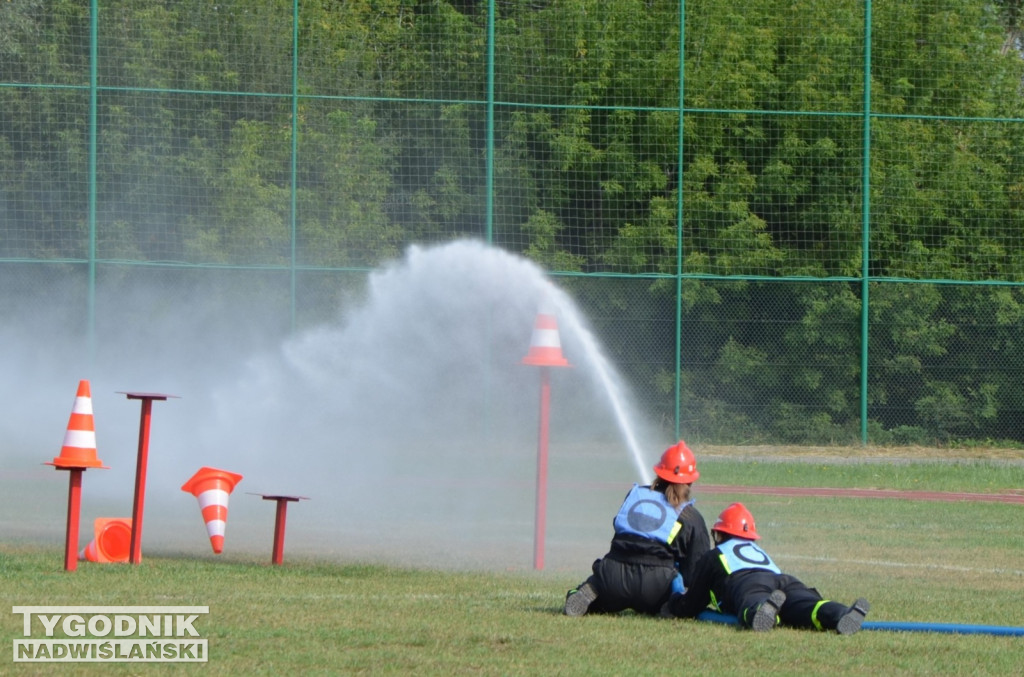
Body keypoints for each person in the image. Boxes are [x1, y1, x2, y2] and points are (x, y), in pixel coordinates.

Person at [661, 502, 870, 634]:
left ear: (720, 534)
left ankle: (763, 610)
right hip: (783, 580)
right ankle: (839, 613)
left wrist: (675, 600)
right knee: (806, 605)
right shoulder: (755, 550)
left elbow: (692, 604)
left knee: (754, 602)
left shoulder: (716, 555)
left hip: (747, 582)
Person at [563, 440, 711, 616]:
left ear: (659, 473)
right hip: (656, 586)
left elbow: (620, 534)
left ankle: (588, 591)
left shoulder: (634, 495)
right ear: (690, 482)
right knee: (680, 593)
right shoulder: (690, 516)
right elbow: (697, 567)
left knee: (596, 590)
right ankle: (671, 606)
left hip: (613, 576)